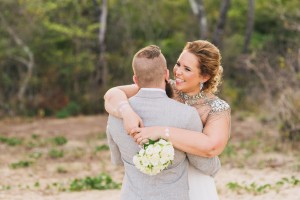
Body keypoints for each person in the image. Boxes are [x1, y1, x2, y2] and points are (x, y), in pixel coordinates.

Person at [104, 40, 231, 200]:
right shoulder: (165, 86)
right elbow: (112, 94)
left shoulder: (217, 107)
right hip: (158, 181)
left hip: (196, 180)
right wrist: (127, 113)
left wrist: (161, 131)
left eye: (187, 69)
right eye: (178, 64)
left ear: (204, 76)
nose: (177, 71)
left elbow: (211, 147)